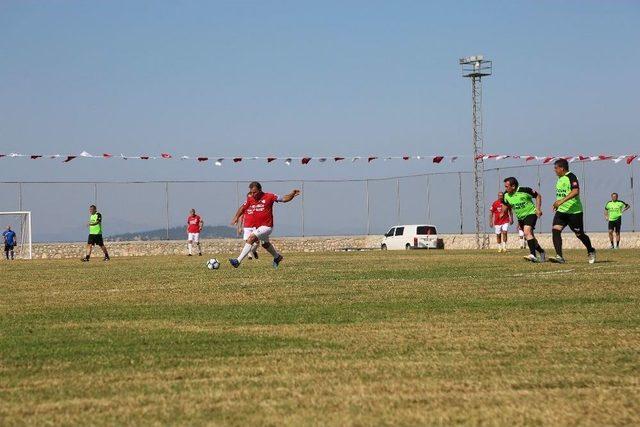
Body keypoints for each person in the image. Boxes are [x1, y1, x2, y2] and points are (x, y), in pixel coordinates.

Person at [229, 181, 301, 269]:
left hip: (267, 226)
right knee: (265, 244)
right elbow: (242, 207)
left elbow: (284, 199)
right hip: (257, 227)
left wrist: (292, 194)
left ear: (260, 190)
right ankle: (277, 257)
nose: (253, 194)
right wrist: (236, 217)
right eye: (251, 192)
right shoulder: (250, 199)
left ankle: (237, 261)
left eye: (254, 192)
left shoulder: (269, 196)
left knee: (251, 238)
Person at [549, 159, 596, 264]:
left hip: (574, 212)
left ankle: (591, 250)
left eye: (556, 168)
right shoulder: (559, 179)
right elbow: (562, 194)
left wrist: (560, 202)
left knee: (579, 234)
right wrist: (557, 204)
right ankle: (559, 257)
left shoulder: (572, 177)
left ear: (562, 168)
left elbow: (575, 191)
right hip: (561, 211)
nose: (554, 170)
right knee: (555, 230)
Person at [502, 177, 546, 263]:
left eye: (507, 186)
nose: (506, 188)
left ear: (513, 186)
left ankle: (533, 255)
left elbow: (537, 196)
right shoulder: (506, 195)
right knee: (530, 236)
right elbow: (505, 205)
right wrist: (503, 212)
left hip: (531, 214)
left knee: (526, 232)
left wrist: (538, 209)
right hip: (520, 218)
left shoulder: (525, 190)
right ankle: (541, 251)